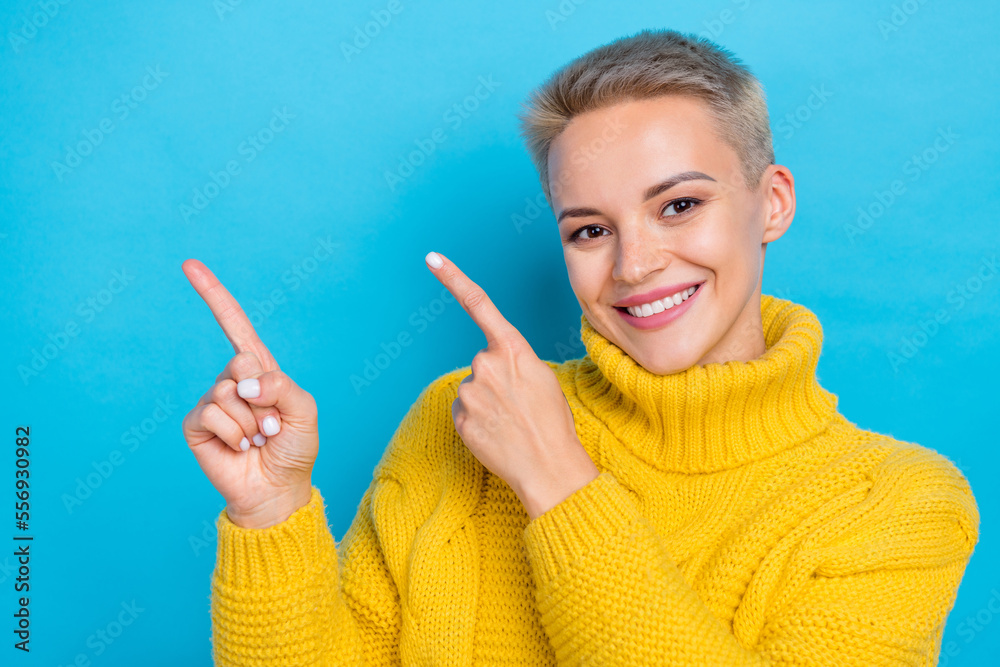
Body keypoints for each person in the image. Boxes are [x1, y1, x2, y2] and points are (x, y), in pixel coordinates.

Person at [183, 28, 979, 665]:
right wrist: (271, 512)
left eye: (679, 205)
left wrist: (557, 480)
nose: (635, 265)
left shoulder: (902, 504)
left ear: (770, 203)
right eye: (591, 229)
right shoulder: (457, 420)